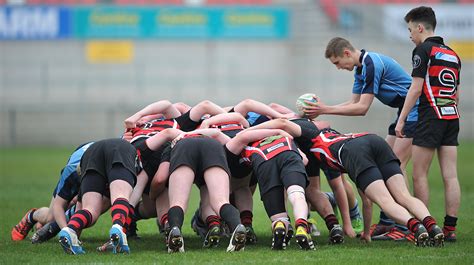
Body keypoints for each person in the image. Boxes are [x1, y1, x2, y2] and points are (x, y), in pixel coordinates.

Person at [248, 118, 445, 247]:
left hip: (353, 151)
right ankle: (432, 227)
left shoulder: (311, 135)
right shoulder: (328, 135)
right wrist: (366, 233)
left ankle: (417, 228)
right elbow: (365, 200)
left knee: (386, 202)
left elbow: (282, 122)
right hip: (371, 139)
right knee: (403, 196)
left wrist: (249, 131)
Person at [304, 37, 418, 239]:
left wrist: (325, 109)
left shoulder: (371, 63)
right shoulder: (360, 69)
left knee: (395, 166)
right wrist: (324, 110)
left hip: (417, 109)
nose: (338, 68)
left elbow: (362, 109)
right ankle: (388, 223)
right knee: (388, 162)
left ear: (347, 53)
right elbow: (353, 102)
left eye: (337, 63)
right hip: (403, 112)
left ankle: (403, 228)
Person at [395, 6, 461, 243]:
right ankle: (450, 229)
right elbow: (456, 93)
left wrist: (401, 119)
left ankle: (427, 227)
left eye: (410, 29)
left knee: (419, 174)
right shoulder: (453, 53)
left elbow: (415, 88)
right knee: (450, 176)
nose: (410, 35)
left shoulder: (423, 50)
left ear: (420, 28)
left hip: (430, 117)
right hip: (451, 117)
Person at [58, 138, 140, 255]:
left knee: (90, 210)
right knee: (121, 196)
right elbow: (131, 202)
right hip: (121, 149)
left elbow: (80, 208)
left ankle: (69, 229)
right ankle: (118, 227)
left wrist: (75, 233)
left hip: (91, 153)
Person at [11, 142, 94, 242]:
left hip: (90, 166)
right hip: (78, 167)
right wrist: (67, 233)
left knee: (91, 208)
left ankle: (47, 225)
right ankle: (31, 216)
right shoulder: (71, 171)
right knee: (51, 217)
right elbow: (58, 206)